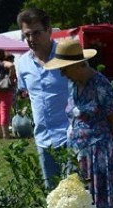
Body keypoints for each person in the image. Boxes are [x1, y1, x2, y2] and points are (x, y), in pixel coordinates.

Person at [44, 39, 113, 208]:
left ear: (77, 65)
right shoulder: (74, 85)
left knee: (98, 202)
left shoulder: (100, 85)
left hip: (98, 156)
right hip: (77, 155)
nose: (61, 73)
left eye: (64, 68)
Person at [16, 7, 71, 189]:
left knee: (76, 194)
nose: (32, 39)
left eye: (36, 33)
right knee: (52, 196)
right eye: (27, 35)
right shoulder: (22, 63)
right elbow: (26, 92)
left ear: (49, 31)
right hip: (43, 140)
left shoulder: (67, 56)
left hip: (70, 136)